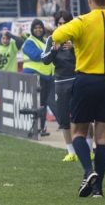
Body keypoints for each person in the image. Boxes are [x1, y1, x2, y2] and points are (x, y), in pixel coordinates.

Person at [52, 0, 105, 197]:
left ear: (89, 0)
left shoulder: (82, 21)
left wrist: (76, 40)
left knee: (78, 132)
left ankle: (88, 171)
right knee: (103, 137)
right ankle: (98, 189)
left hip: (86, 79)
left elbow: (57, 35)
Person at [42, 10, 94, 162]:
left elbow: (88, 56)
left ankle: (90, 150)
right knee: (64, 118)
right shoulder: (52, 39)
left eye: (65, 23)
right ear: (56, 24)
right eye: (60, 23)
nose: (62, 26)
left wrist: (74, 48)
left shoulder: (77, 37)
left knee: (85, 116)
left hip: (78, 79)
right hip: (60, 82)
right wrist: (53, 49)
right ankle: (71, 152)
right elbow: (44, 60)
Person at [22, 18, 54, 136]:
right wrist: (50, 51)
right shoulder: (30, 41)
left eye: (40, 27)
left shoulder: (46, 41)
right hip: (34, 75)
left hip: (46, 77)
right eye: (36, 28)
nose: (38, 30)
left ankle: (41, 128)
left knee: (43, 104)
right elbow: (35, 55)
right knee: (35, 104)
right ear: (32, 29)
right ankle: (33, 128)